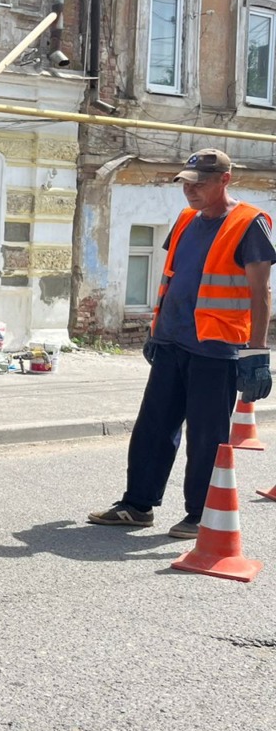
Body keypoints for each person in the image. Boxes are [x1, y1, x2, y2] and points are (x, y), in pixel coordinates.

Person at [88, 148, 274, 539]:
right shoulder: (187, 220)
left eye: (200, 184)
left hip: (216, 348)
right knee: (153, 428)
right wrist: (157, 329)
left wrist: (256, 352)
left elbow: (261, 293)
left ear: (225, 180)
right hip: (173, 342)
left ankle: (202, 514)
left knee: (207, 436)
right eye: (186, 184)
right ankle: (138, 505)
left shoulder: (248, 224)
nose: (190, 192)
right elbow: (173, 275)